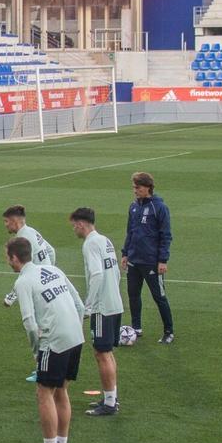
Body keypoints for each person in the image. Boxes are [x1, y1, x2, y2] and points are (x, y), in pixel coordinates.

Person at [6, 237, 85, 443]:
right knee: (61, 391)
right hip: (75, 337)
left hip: (55, 340)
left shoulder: (23, 282)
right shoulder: (53, 269)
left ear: (14, 258)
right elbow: (79, 304)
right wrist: (75, 330)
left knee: (43, 393)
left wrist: (37, 352)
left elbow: (30, 323)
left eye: (7, 257)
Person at [70, 208, 123, 416]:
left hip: (101, 307)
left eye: (74, 225)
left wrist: (88, 306)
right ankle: (111, 398)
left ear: (81, 224)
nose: (74, 229)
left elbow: (97, 275)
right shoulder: (105, 240)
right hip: (114, 303)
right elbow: (116, 271)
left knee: (101, 353)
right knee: (107, 352)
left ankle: (110, 404)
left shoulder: (90, 243)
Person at [1, 205, 57, 382]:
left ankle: (43, 369)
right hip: (47, 282)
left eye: (6, 222)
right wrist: (50, 270)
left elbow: (25, 271)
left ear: (15, 221)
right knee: (44, 328)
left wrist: (11, 296)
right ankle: (46, 367)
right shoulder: (32, 232)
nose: (5, 226)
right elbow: (51, 251)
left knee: (38, 329)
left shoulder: (22, 239)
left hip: (37, 287)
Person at [121, 172, 174, 344]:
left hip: (151, 261)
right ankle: (136, 327)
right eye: (134, 187)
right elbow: (130, 232)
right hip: (134, 260)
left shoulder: (159, 208)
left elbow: (166, 235)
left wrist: (163, 260)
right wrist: (125, 253)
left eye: (138, 187)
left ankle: (168, 331)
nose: (135, 191)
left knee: (159, 296)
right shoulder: (133, 206)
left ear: (148, 188)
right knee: (133, 295)